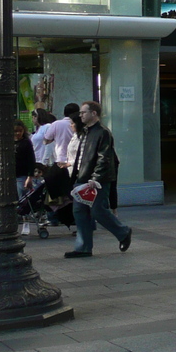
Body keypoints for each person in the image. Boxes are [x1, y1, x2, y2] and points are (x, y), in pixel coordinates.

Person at [65, 101, 132, 258]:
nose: (80, 115)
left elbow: (104, 158)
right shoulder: (86, 131)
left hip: (96, 180)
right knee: (79, 211)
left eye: (83, 112)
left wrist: (95, 178)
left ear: (93, 113)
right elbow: (81, 157)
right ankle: (83, 248)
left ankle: (123, 232)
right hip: (82, 178)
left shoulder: (102, 132)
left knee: (97, 210)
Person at [14, 120, 35, 200]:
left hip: (22, 175)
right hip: (10, 175)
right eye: (15, 131)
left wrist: (30, 177)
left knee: (22, 198)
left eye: (20, 131)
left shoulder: (26, 143)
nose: (18, 133)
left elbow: (31, 160)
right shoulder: (8, 143)